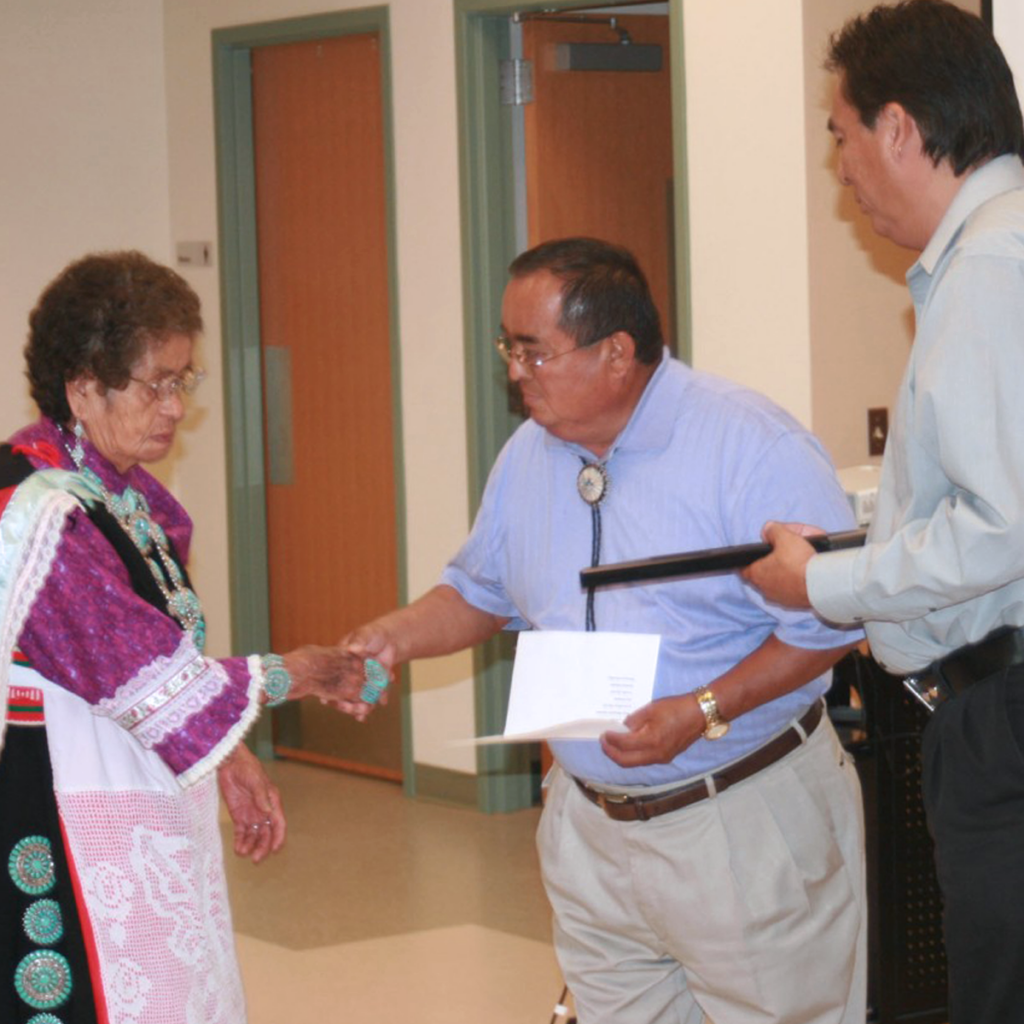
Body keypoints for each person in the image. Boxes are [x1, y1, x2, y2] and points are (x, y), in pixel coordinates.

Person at [346, 237, 867, 1023]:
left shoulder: (750, 446)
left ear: (617, 352)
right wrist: (394, 636)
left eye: (533, 352)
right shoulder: (529, 455)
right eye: (508, 348)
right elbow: (483, 590)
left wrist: (703, 710)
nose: (514, 373)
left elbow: (833, 619)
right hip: (589, 827)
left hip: (741, 816)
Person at [742, 4, 1024, 1023]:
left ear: (899, 128)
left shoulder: (992, 266)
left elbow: (1002, 529)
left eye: (841, 137)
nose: (841, 172)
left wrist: (819, 581)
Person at [0, 251, 364, 1024]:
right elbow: (141, 675)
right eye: (156, 383)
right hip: (59, 802)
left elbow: (169, 664)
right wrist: (297, 672)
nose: (175, 406)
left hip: (138, 789)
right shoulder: (40, 510)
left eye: (183, 381)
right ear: (82, 386)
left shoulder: (124, 493)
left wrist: (224, 755)